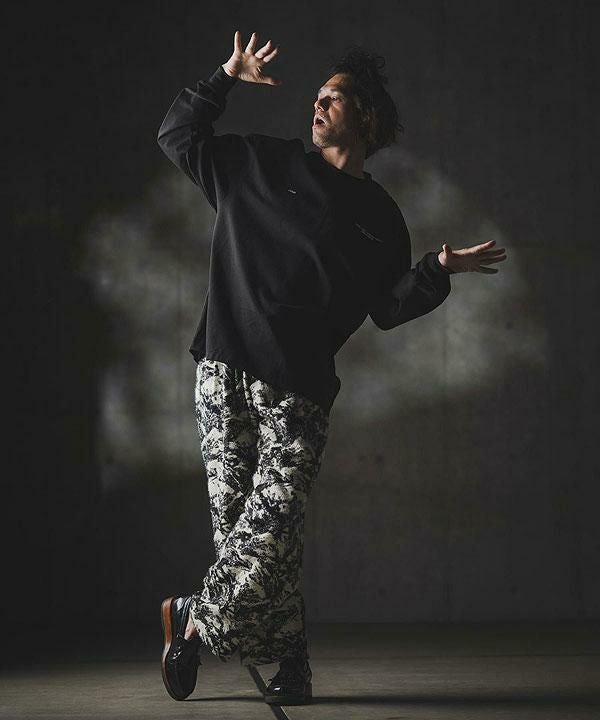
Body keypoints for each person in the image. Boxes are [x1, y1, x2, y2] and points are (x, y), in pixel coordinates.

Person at [156, 30, 507, 706]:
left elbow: (388, 309)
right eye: (316, 97)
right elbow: (177, 135)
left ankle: (193, 619)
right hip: (225, 372)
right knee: (252, 536)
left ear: (366, 117)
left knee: (272, 526)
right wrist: (224, 76)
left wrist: (436, 269)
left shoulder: (381, 219)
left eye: (333, 98)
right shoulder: (257, 163)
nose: (316, 106)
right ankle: (293, 665)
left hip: (301, 392)